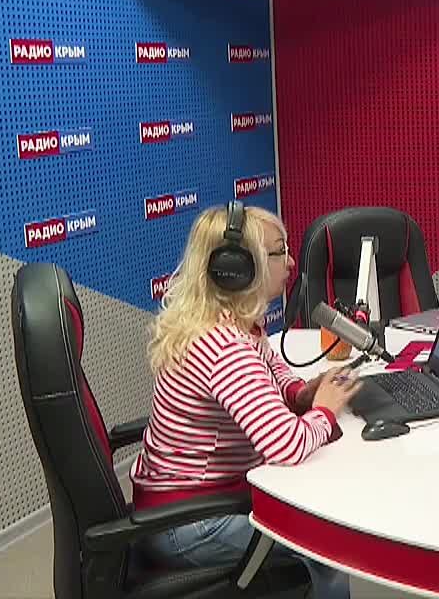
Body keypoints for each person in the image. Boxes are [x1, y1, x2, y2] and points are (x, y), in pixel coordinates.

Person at [131, 202, 360, 599]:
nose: (291, 263)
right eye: (279, 252)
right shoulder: (224, 347)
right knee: (326, 546)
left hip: (182, 503)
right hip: (189, 525)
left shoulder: (229, 324)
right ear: (237, 268)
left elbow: (272, 369)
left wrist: (301, 394)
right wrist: (325, 410)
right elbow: (286, 446)